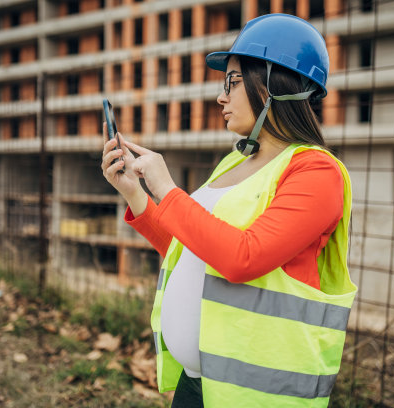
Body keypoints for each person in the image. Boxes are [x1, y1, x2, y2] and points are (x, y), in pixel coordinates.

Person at [101, 13, 357, 408]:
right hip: (198, 384)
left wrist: (167, 189)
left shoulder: (317, 172)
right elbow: (193, 247)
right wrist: (136, 194)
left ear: (274, 84)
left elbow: (242, 258)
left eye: (233, 82)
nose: (222, 96)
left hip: (255, 397)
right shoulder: (233, 163)